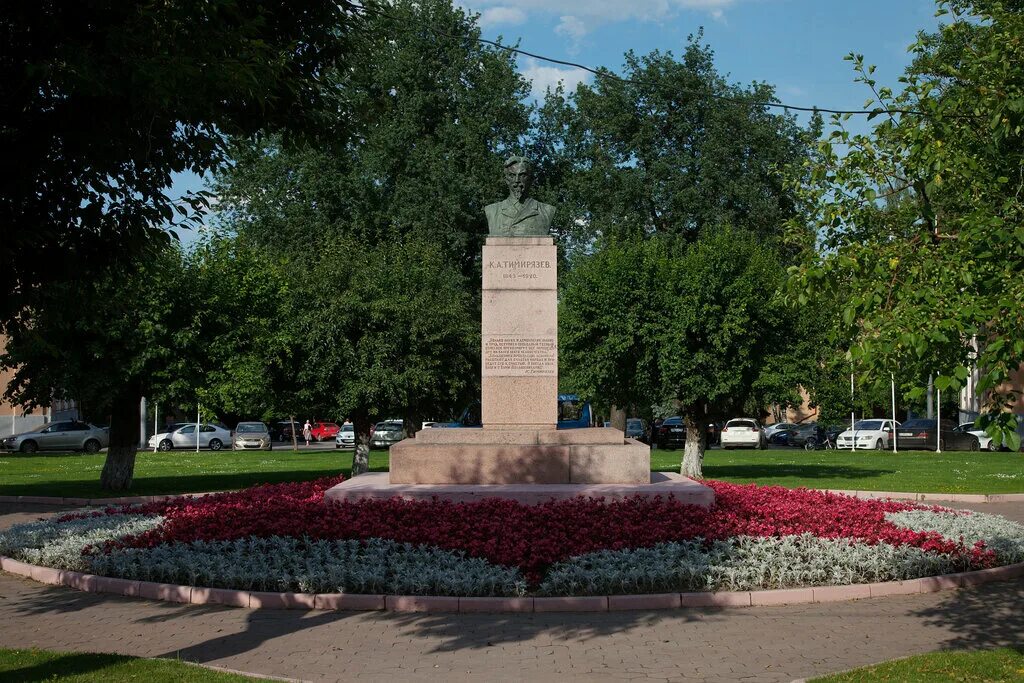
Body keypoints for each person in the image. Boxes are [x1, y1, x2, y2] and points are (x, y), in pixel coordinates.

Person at [484, 155, 556, 236]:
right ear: (506, 180)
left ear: (531, 179)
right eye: (512, 175)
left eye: (523, 175)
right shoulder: (492, 211)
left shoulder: (546, 211)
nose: (517, 180)